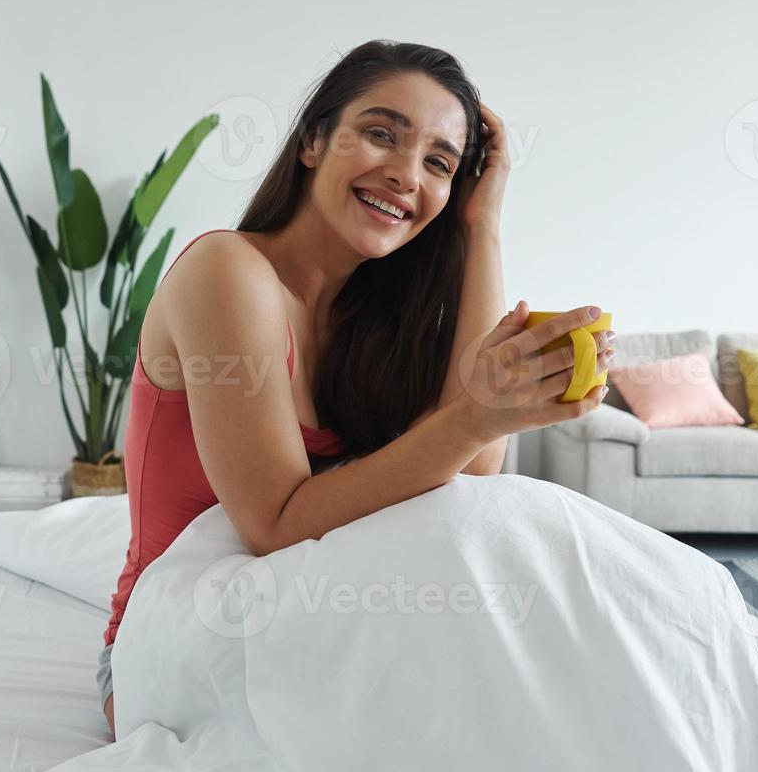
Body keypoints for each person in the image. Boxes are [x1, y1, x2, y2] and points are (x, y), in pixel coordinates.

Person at [97, 40, 615, 735]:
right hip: (174, 641)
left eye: (438, 163)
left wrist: (481, 226)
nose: (406, 175)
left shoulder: (374, 320)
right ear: (313, 140)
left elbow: (478, 476)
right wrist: (472, 420)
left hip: (302, 622)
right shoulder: (226, 272)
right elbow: (274, 525)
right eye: (380, 135)